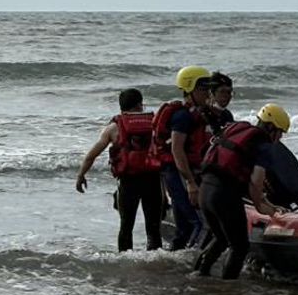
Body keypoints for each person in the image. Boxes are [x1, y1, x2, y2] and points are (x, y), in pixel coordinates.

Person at [193, 103, 291, 280]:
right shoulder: (264, 145)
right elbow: (256, 181)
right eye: (280, 132)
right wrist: (263, 209)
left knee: (221, 238)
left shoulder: (238, 130)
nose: (280, 137)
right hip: (224, 195)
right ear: (271, 127)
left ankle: (199, 274)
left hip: (205, 191)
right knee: (240, 246)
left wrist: (267, 203)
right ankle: (228, 289)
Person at [75, 88, 163, 251]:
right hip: (153, 179)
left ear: (121, 106)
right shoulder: (155, 123)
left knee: (126, 226)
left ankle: (125, 261)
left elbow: (92, 155)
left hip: (128, 182)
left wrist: (81, 175)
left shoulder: (114, 128)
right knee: (153, 228)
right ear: (140, 105)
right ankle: (156, 264)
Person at [151, 65, 214, 250]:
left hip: (185, 173)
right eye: (203, 89)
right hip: (177, 174)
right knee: (198, 223)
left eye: (208, 89)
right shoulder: (182, 117)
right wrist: (191, 183)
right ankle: (193, 265)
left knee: (184, 228)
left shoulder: (198, 114)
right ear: (189, 89)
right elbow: (177, 151)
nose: (207, 94)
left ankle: (172, 263)